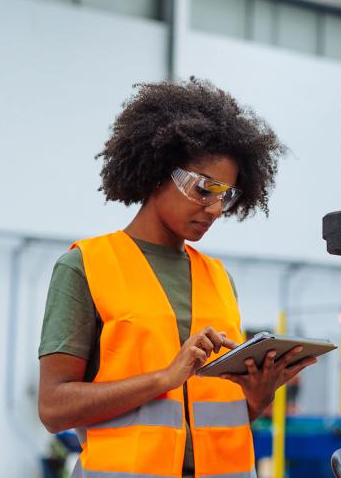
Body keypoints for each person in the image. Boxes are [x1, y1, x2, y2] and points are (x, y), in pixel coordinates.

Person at [37, 78, 317, 478]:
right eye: (204, 190)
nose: (215, 209)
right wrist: (164, 378)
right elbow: (53, 408)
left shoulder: (218, 278)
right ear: (157, 172)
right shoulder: (86, 266)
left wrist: (258, 396)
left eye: (226, 196)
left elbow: (212, 419)